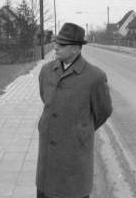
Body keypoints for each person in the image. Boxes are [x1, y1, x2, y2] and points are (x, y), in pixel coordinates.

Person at [36, 22, 113, 198]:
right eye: (56, 42)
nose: (55, 47)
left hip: (74, 157)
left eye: (61, 45)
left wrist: (81, 130)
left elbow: (103, 111)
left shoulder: (95, 77)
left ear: (76, 49)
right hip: (48, 155)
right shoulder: (46, 71)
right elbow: (46, 99)